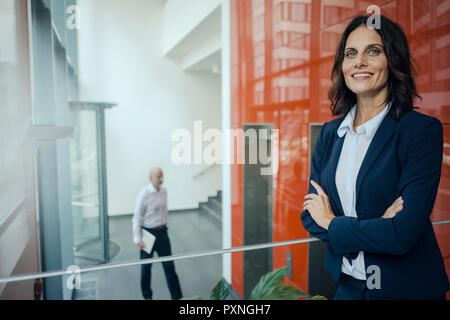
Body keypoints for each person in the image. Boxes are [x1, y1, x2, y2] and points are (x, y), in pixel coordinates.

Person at [301, 14, 449, 300]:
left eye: (373, 51)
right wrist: (378, 225)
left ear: (392, 61)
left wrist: (332, 222)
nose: (359, 62)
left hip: (406, 290)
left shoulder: (420, 131)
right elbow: (310, 216)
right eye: (350, 53)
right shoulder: (331, 133)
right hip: (347, 287)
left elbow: (402, 234)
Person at [132, 167, 183, 300]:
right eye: (158, 177)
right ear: (151, 178)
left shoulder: (164, 191)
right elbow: (137, 217)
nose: (161, 179)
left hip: (162, 234)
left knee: (170, 268)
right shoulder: (144, 194)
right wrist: (138, 239)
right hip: (148, 235)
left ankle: (177, 298)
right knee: (146, 268)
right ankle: (147, 296)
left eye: (162, 176)